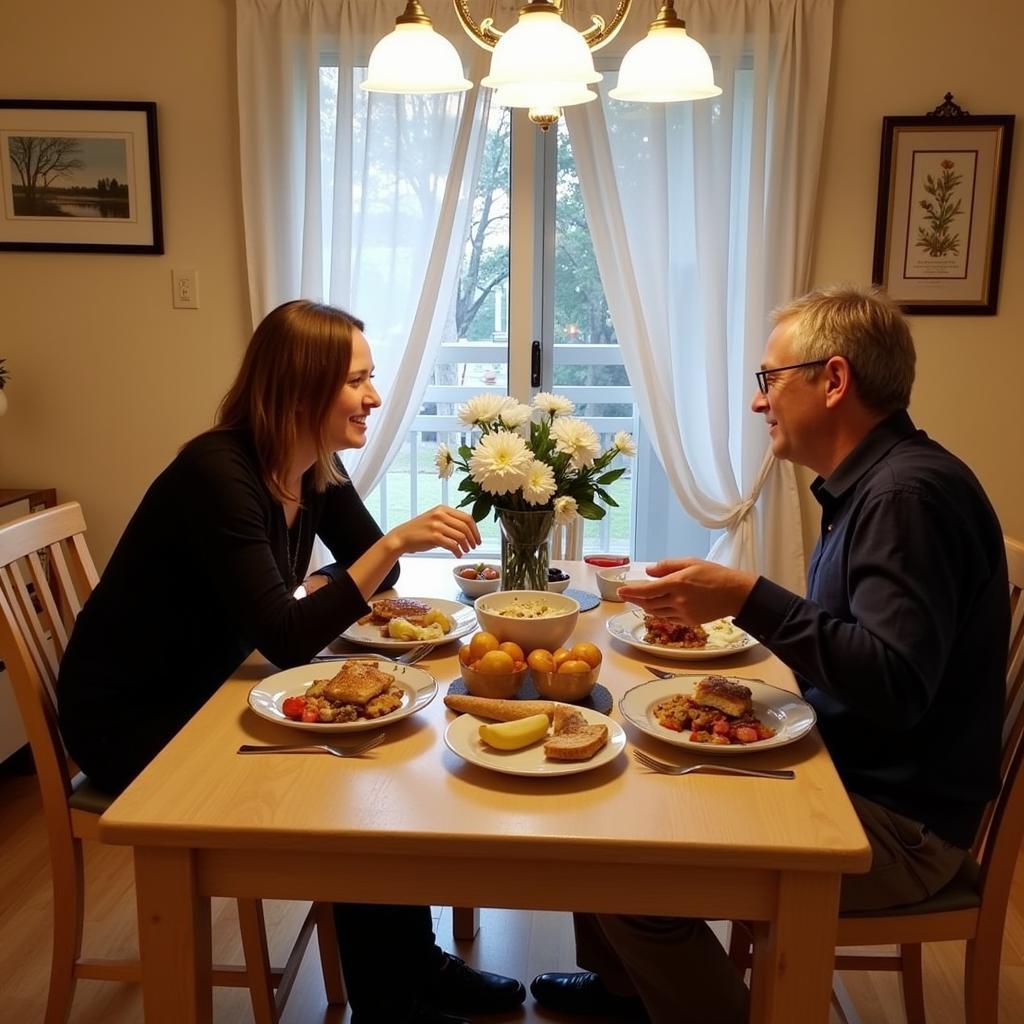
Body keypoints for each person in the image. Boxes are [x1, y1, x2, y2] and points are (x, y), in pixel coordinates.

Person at [530, 285, 1010, 1024]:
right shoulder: (877, 486)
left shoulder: (906, 499)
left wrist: (750, 597)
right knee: (620, 788)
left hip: (896, 828)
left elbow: (894, 683)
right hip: (847, 771)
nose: (759, 403)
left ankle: (657, 989)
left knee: (629, 860)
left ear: (835, 379)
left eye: (769, 379)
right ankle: (629, 991)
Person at [57, 299, 526, 1024]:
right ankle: (392, 999)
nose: (374, 397)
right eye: (358, 381)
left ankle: (409, 969)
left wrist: (330, 580)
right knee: (347, 778)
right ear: (301, 386)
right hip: (134, 716)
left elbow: (368, 582)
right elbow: (291, 633)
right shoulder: (218, 473)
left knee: (378, 759)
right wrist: (386, 548)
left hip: (207, 689)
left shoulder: (308, 468)